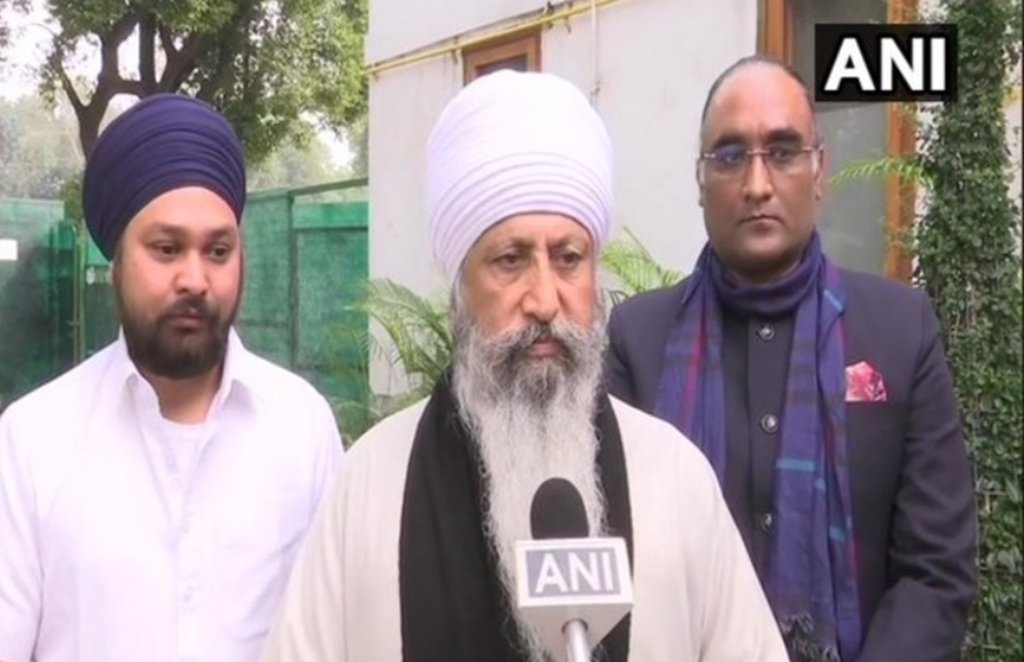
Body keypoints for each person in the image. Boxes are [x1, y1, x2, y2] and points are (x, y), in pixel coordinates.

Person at [259, 70, 787, 662]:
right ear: (461, 288)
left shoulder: (675, 479)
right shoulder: (368, 487)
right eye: (510, 260)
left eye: (568, 259)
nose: (544, 299)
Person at [605, 55, 977, 661]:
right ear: (701, 181)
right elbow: (616, 557)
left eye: (782, 151)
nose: (757, 184)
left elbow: (935, 573)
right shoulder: (638, 341)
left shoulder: (900, 331)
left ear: (819, 170)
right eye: (730, 155)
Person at [0, 94, 344, 662]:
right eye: (166, 248)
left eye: (217, 250)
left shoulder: (301, 426)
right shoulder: (34, 440)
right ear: (116, 262)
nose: (194, 278)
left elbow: (334, 632)